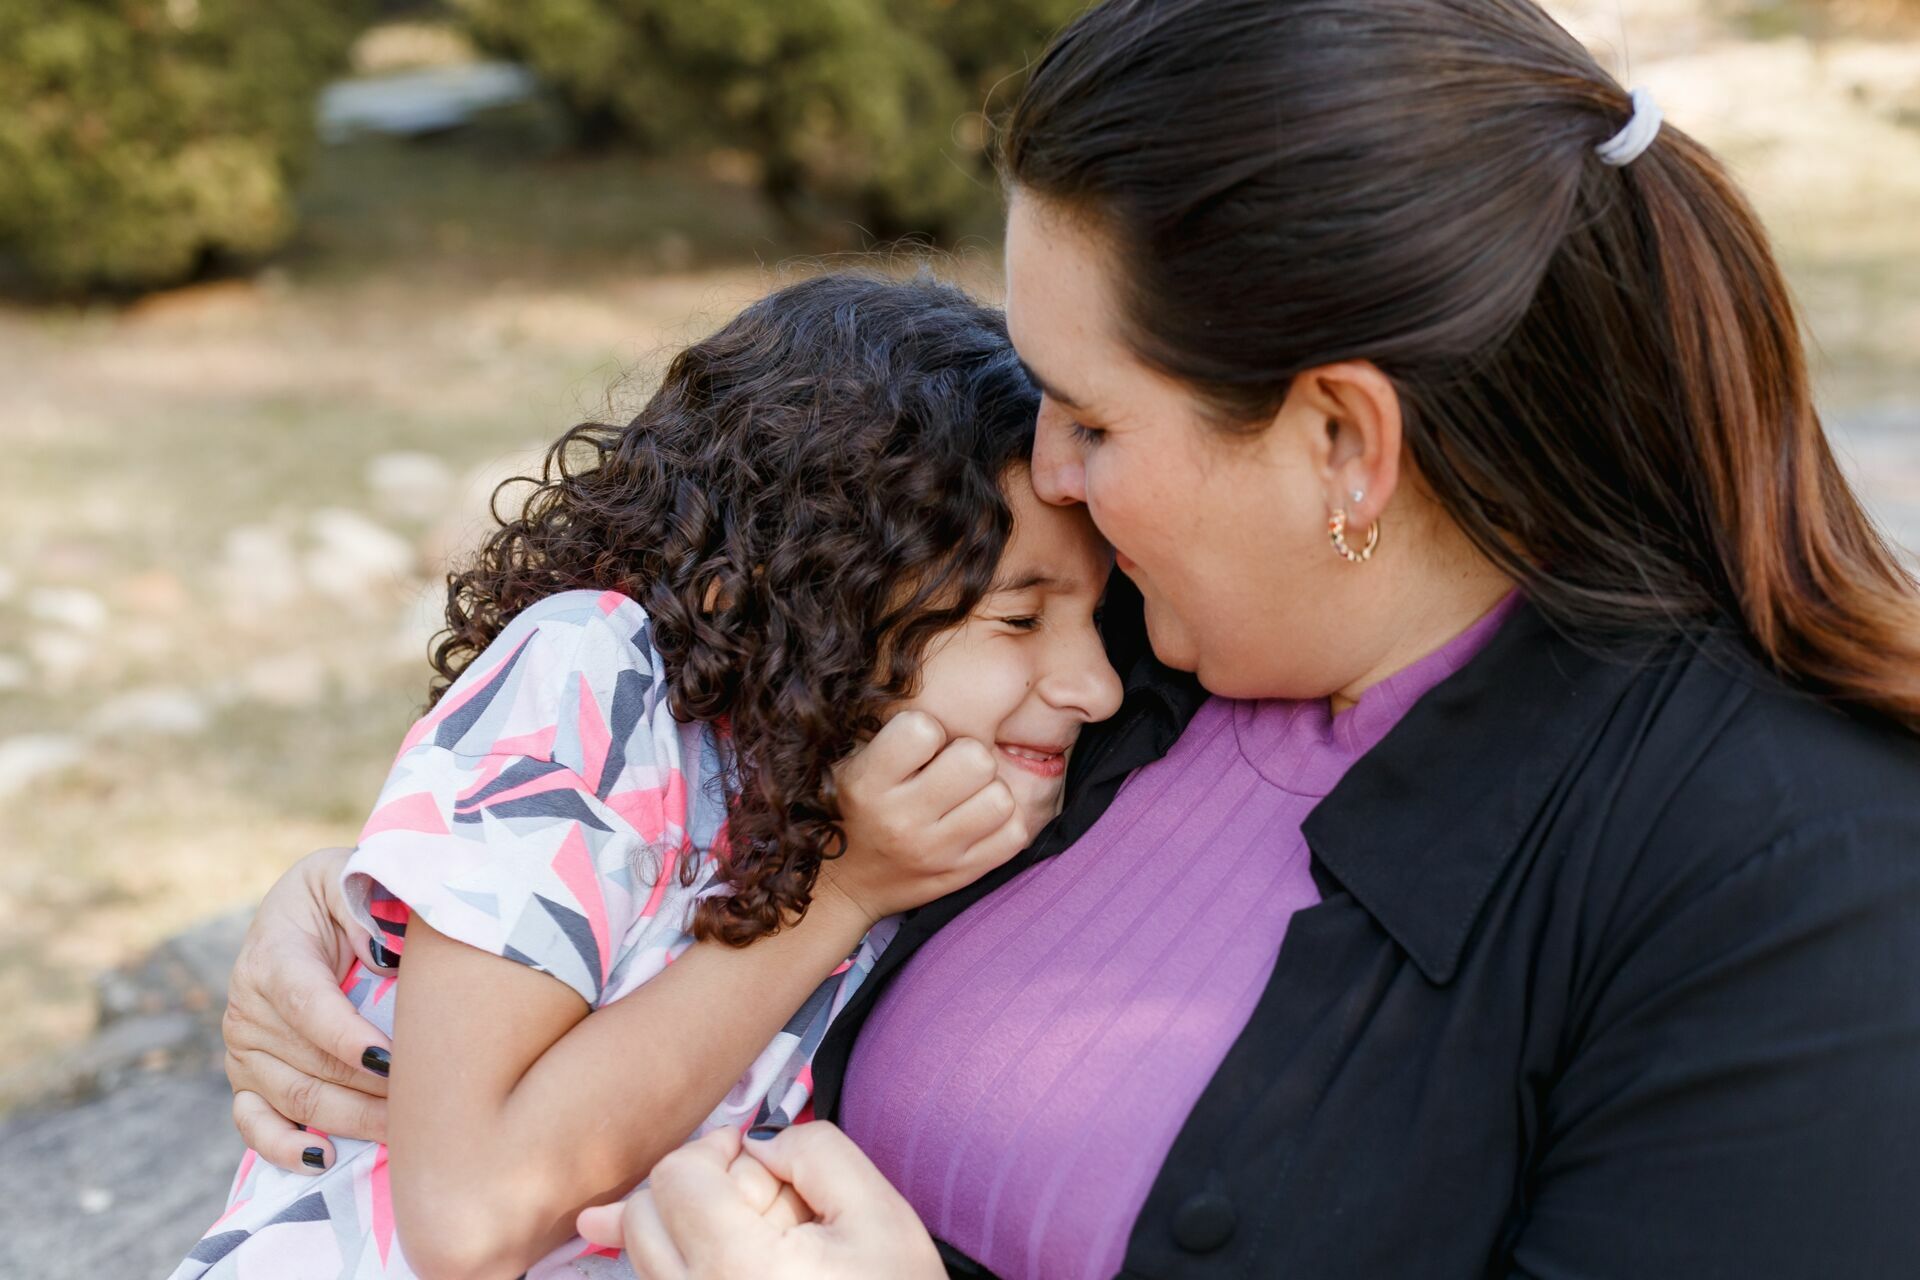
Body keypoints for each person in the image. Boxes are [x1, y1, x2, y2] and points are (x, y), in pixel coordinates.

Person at [223, 1, 1920, 1276]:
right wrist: (370, 928)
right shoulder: (1154, 659)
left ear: (1344, 443)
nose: (1041, 473)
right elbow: (687, 806)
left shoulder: (1784, 879)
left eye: (1093, 418)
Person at [172, 272, 1121, 1280]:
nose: (1098, 685)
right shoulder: (593, 675)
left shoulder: (933, 801)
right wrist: (841, 892)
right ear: (802, 583)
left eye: (1099, 623)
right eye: (1020, 617)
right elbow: (467, 1215)